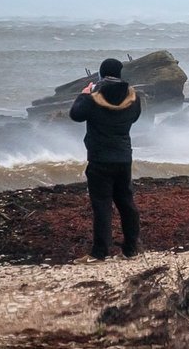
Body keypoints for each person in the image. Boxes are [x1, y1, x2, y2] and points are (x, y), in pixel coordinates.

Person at [69, 58, 142, 262]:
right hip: (123, 158)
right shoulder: (133, 98)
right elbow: (134, 117)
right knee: (126, 203)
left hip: (100, 159)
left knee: (102, 205)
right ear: (120, 74)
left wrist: (83, 95)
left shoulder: (93, 97)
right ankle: (131, 249)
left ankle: (100, 253)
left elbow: (75, 115)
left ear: (100, 75)